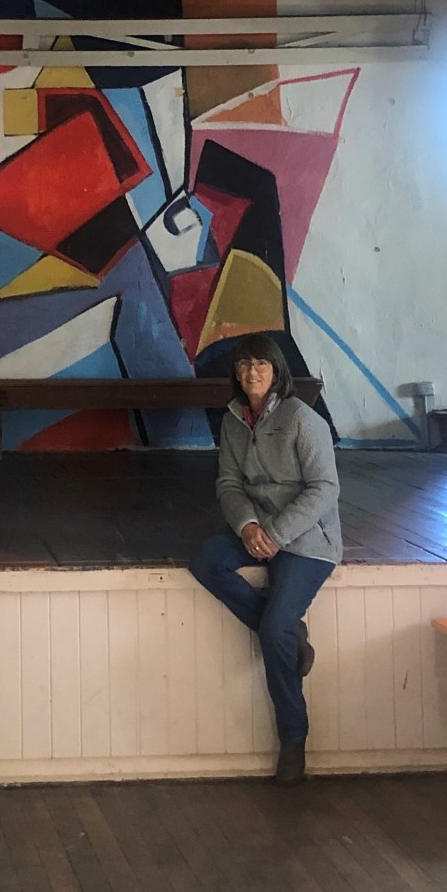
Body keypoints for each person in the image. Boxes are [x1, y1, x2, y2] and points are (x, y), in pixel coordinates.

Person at [188, 333, 341, 785]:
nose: (251, 373)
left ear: (277, 372)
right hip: (258, 529)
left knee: (273, 630)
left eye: (260, 365)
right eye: (243, 365)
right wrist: (248, 527)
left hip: (306, 538)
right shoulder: (233, 420)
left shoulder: (302, 419)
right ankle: (293, 635)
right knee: (207, 560)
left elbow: (325, 488)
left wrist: (276, 534)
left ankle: (293, 738)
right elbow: (228, 483)